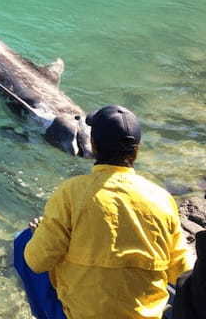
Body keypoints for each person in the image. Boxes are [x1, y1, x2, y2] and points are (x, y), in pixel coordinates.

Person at [19, 105, 192, 319]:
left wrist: (42, 231)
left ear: (94, 144)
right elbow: (183, 270)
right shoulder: (162, 199)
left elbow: (36, 262)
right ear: (136, 150)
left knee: (23, 242)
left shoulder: (70, 192)